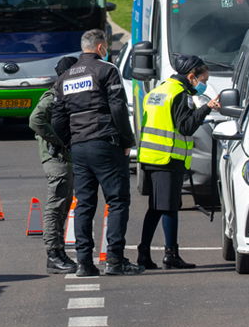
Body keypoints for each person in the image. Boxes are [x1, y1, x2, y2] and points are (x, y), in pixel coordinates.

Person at [51, 29, 137, 277]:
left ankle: (84, 262)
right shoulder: (106, 70)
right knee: (118, 200)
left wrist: (70, 142)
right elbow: (118, 107)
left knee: (85, 205)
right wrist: (126, 139)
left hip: (79, 146)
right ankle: (114, 260)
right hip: (104, 142)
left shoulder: (65, 77)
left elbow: (57, 119)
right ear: (101, 47)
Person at [135, 54, 220, 270]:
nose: (204, 84)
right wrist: (206, 108)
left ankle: (144, 253)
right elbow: (186, 127)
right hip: (168, 158)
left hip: (151, 157)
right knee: (170, 207)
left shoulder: (159, 90)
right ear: (191, 76)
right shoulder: (179, 94)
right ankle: (170, 255)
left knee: (155, 207)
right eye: (203, 80)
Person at [29, 56, 79, 274]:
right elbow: (35, 120)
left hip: (63, 157)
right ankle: (53, 253)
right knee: (56, 205)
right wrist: (57, 140)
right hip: (55, 157)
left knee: (63, 204)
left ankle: (58, 252)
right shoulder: (54, 95)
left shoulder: (66, 93)